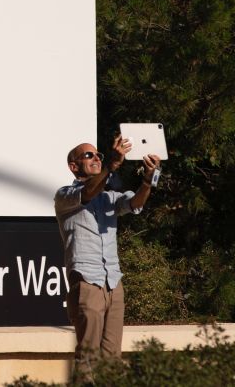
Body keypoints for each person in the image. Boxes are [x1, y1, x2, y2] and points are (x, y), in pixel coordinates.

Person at [54, 136, 161, 379]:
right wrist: (112, 165)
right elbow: (88, 194)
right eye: (89, 156)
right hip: (87, 282)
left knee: (112, 358)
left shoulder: (109, 198)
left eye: (99, 156)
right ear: (74, 166)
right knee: (89, 357)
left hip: (113, 282)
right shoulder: (65, 196)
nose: (96, 159)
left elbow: (135, 204)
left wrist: (148, 179)